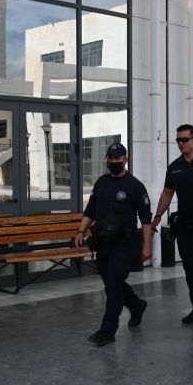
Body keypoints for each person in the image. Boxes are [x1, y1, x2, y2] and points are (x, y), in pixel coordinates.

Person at [74, 142, 153, 347]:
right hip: (103, 242)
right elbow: (90, 211)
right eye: (110, 158)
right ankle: (136, 305)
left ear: (125, 160)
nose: (113, 161)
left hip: (124, 244)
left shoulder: (135, 186)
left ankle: (108, 330)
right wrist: (81, 231)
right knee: (112, 282)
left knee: (114, 283)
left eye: (117, 158)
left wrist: (147, 246)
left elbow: (146, 220)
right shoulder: (101, 183)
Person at [153, 124, 193, 327]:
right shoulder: (175, 167)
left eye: (184, 139)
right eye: (178, 140)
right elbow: (167, 193)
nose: (181, 143)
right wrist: (158, 215)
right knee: (188, 267)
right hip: (184, 224)